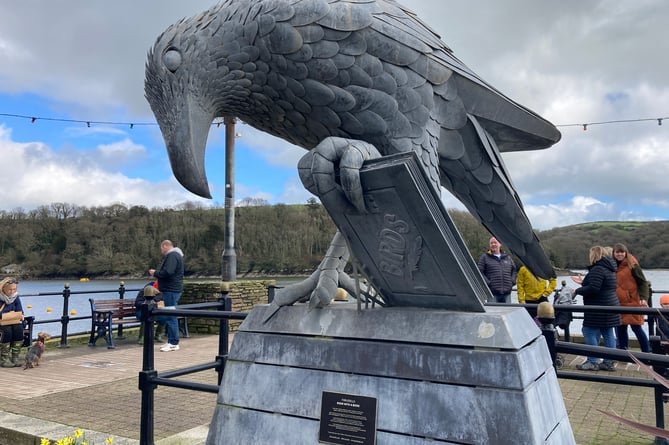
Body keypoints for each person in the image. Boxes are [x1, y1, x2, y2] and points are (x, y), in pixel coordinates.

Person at [572, 246, 620, 371]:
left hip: (598, 307)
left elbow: (593, 288)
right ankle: (608, 362)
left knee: (588, 331)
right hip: (610, 305)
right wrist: (583, 283)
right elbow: (598, 285)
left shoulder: (598, 269)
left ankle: (592, 361)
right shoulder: (610, 268)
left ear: (594, 255)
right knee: (608, 333)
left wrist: (577, 290)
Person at [612, 243, 650, 352]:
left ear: (625, 253)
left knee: (636, 328)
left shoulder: (633, 265)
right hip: (618, 302)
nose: (620, 254)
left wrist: (643, 298)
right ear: (613, 253)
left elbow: (643, 282)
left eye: (622, 252)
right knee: (621, 329)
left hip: (632, 301)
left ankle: (646, 353)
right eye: (617, 252)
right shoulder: (612, 265)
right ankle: (623, 353)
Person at [149, 240, 184, 352]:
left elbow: (168, 272)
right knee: (171, 314)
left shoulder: (172, 256)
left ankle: (174, 342)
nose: (161, 251)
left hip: (171, 289)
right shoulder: (177, 255)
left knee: (170, 315)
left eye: (161, 248)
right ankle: (171, 340)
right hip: (173, 289)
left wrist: (155, 273)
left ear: (165, 246)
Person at [477, 237, 517, 303]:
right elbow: (479, 272)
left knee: (507, 312)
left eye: (495, 242)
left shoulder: (507, 258)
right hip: (492, 294)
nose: (493, 244)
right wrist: (488, 283)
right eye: (491, 243)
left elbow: (514, 271)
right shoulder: (484, 257)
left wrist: (512, 281)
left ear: (500, 244)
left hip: (507, 293)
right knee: (493, 312)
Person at [0, 277, 25, 367]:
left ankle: (15, 357)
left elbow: (20, 310)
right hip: (1, 323)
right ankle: (4, 359)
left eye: (14, 289)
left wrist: (20, 315)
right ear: (3, 289)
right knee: (7, 331)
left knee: (18, 329)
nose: (12, 292)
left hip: (13, 321)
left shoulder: (16, 297)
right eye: (10, 289)